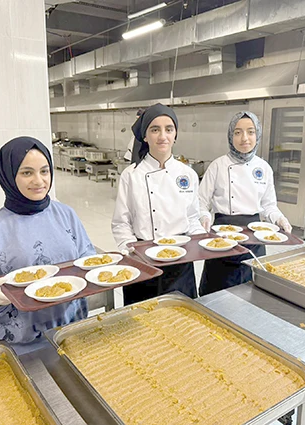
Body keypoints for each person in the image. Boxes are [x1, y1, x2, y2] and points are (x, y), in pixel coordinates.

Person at [0, 136, 95, 354]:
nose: (39, 181)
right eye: (27, 173)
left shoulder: (65, 214)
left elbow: (87, 259)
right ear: (8, 176)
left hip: (71, 334)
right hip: (20, 346)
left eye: (44, 171)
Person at [112, 103, 206, 305]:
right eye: (155, 130)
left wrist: (204, 241)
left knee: (182, 318)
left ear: (175, 135)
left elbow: (192, 218)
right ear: (145, 136)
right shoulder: (131, 175)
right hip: (143, 262)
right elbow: (121, 223)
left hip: (181, 262)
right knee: (142, 320)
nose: (163, 136)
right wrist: (132, 251)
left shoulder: (188, 174)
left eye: (169, 129)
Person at [198, 111, 292, 296]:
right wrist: (204, 217)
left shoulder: (264, 168)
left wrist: (280, 219)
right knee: (216, 297)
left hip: (255, 236)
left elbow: (269, 206)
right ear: (230, 135)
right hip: (222, 236)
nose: (244, 138)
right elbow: (200, 202)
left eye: (250, 132)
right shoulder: (217, 166)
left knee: (253, 294)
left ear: (257, 135)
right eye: (238, 132)